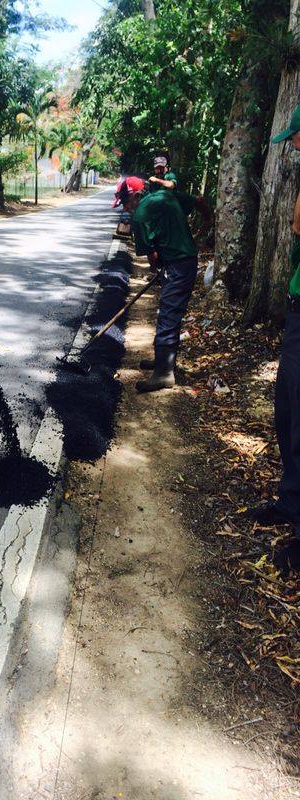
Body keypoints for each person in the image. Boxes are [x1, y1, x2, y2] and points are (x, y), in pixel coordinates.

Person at [249, 104, 300, 573]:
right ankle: (290, 501)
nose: (296, 146)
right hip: (296, 310)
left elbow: (299, 224)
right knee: (286, 414)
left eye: (299, 137)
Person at [125, 186, 210, 393]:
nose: (127, 210)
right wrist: (208, 222)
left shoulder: (139, 216)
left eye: (126, 204)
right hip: (185, 261)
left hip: (178, 265)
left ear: (135, 196)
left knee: (168, 315)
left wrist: (158, 269)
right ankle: (162, 361)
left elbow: (152, 255)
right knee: (167, 311)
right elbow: (199, 201)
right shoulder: (165, 194)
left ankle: (164, 374)